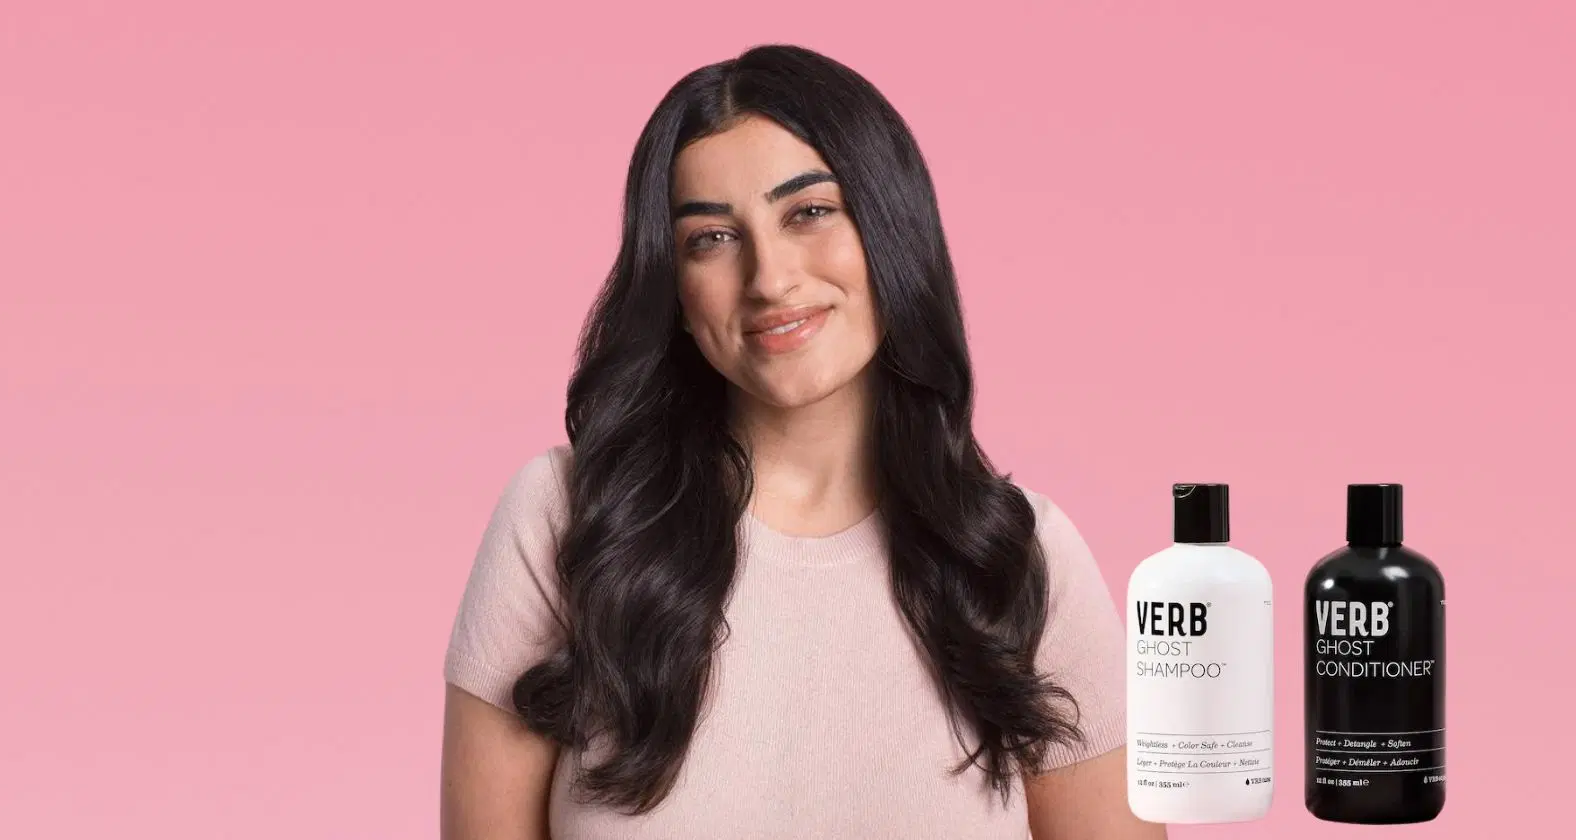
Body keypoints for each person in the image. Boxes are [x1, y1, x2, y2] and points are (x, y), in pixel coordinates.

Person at [440, 43, 1164, 840]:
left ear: (891, 230)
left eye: (809, 212)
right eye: (710, 238)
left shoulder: (1021, 560)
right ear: (675, 292)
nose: (770, 278)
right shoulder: (567, 520)